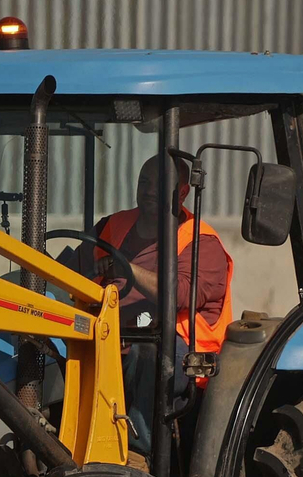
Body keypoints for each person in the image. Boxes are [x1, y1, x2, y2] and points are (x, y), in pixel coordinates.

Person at [88, 155, 234, 459]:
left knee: (153, 348)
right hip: (109, 339)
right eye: (144, 182)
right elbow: (71, 269)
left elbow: (181, 294)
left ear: (182, 192)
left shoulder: (200, 241)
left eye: (161, 185)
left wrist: (124, 267)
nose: (150, 191)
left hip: (184, 356)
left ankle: (140, 453)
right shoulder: (112, 226)